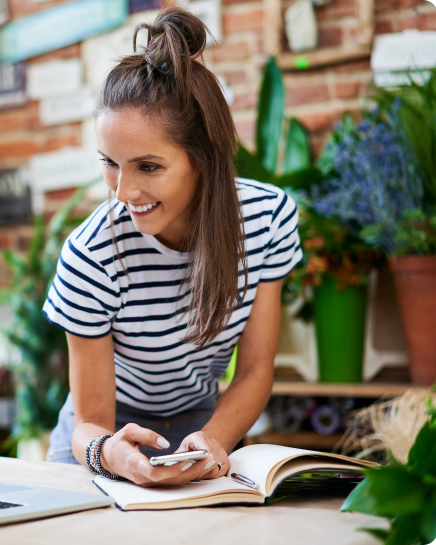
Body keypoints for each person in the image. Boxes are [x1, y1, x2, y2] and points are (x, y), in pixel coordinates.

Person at [42, 6, 302, 486]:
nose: (122, 193)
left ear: (203, 158)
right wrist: (110, 453)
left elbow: (254, 371)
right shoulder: (91, 253)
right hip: (105, 443)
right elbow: (89, 423)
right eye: (110, 163)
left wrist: (213, 439)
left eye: (148, 167)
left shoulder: (267, 221)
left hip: (203, 430)